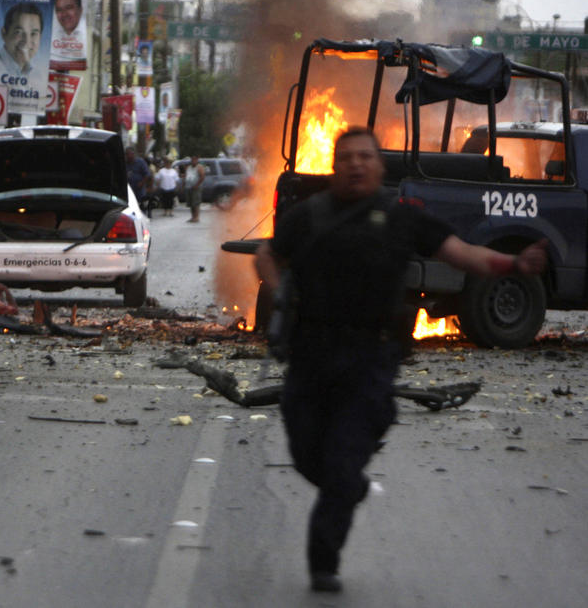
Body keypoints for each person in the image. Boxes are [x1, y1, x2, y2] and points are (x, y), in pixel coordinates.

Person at [254, 127, 547, 594]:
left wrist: (514, 265)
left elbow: (463, 254)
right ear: (334, 166)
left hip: (370, 360)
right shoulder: (309, 215)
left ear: (379, 166)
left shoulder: (401, 218)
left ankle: (323, 562)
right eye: (346, 157)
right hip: (311, 356)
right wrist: (281, 293)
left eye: (365, 157)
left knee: (343, 460)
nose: (355, 165)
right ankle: (348, 486)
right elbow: (267, 255)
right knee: (307, 455)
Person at [0, 3, 43, 80]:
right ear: (4, 34)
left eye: (33, 34)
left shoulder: (37, 76)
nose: (27, 41)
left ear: (40, 37)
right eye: (19, 32)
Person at [183, 154, 206, 223]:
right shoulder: (188, 167)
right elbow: (185, 176)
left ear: (197, 160)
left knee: (196, 203)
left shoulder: (199, 167)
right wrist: (184, 184)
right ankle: (192, 216)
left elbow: (202, 177)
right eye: (192, 159)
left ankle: (196, 217)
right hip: (188, 187)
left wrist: (197, 185)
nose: (193, 161)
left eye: (194, 159)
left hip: (196, 187)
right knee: (191, 203)